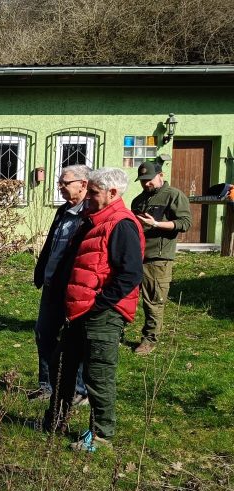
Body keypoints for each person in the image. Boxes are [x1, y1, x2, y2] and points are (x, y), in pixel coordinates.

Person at [45, 167, 144, 452]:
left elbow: (130, 274)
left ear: (113, 193)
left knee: (98, 375)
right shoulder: (92, 221)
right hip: (79, 311)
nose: (87, 196)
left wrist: (99, 304)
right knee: (61, 366)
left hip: (102, 314)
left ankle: (100, 437)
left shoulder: (122, 224)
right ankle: (54, 422)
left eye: (94, 192)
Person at [30, 165, 90, 404]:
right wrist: (41, 271)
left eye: (65, 183)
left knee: (74, 339)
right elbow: (51, 246)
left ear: (83, 184)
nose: (60, 187)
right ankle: (47, 385)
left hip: (74, 289)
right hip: (51, 284)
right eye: (60, 182)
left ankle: (78, 389)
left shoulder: (90, 215)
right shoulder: (63, 210)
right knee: (44, 333)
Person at [130, 161, 192, 355]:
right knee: (126, 296)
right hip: (136, 255)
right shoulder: (138, 200)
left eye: (149, 179)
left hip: (158, 256)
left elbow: (185, 223)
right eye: (142, 180)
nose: (145, 183)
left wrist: (156, 224)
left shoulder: (174, 195)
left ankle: (149, 339)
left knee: (153, 300)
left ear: (161, 175)